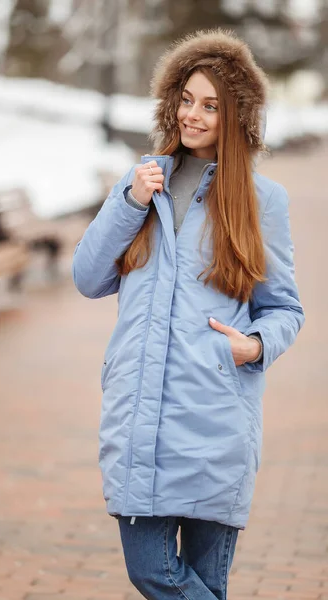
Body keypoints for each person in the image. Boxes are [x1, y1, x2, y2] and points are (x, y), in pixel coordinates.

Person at [72, 29, 304, 600]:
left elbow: (283, 309)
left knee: (206, 582)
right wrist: (129, 202)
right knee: (152, 569)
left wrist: (252, 346)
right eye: (185, 99)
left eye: (211, 105)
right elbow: (87, 277)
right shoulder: (141, 183)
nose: (192, 116)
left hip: (214, 414)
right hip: (139, 414)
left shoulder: (260, 199)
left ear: (238, 117)